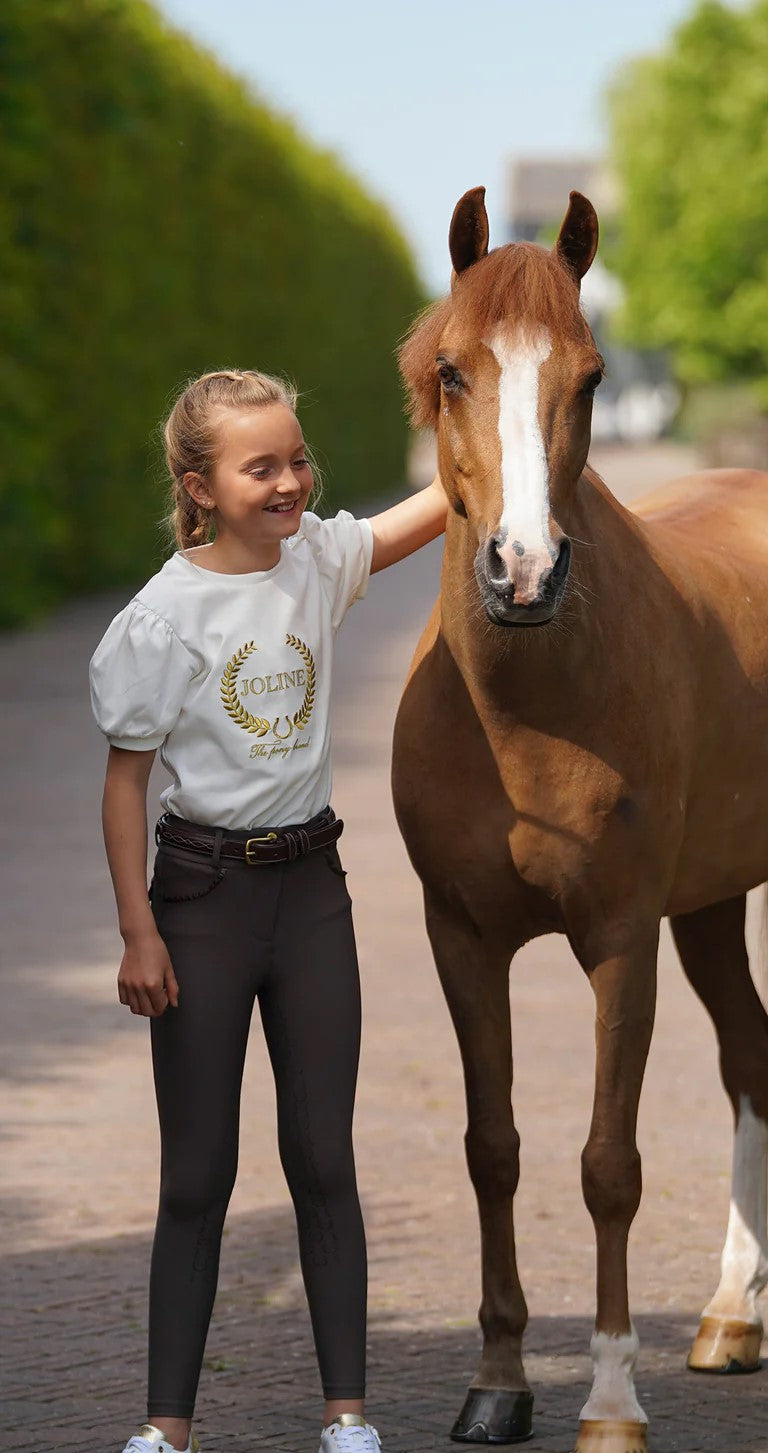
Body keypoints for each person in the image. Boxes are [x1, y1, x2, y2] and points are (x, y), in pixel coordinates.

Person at [89, 369, 447, 1453]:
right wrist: (138, 932)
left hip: (311, 899)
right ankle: (166, 1429)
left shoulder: (317, 565)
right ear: (199, 487)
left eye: (298, 460)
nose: (291, 481)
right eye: (262, 467)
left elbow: (426, 512)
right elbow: (124, 785)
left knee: (322, 1158)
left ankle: (348, 1417)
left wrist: (503, 438)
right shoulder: (163, 615)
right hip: (201, 903)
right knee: (198, 1174)